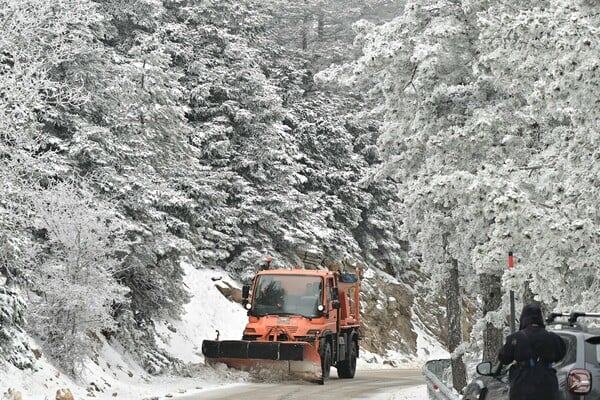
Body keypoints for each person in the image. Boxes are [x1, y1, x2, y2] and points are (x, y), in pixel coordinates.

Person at [498, 303, 567, 400]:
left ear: (524, 318)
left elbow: (504, 357)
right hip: (547, 386)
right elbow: (561, 354)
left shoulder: (516, 338)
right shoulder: (553, 338)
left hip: (522, 387)